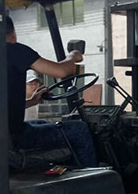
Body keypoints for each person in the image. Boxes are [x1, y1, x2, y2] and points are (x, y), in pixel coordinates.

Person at [6, 16, 97, 167]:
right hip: (16, 137)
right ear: (13, 32)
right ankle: (92, 177)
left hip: (5, 135)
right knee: (80, 129)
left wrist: (32, 101)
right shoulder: (15, 51)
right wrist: (73, 56)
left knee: (41, 123)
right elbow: (62, 71)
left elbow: (2, 105)